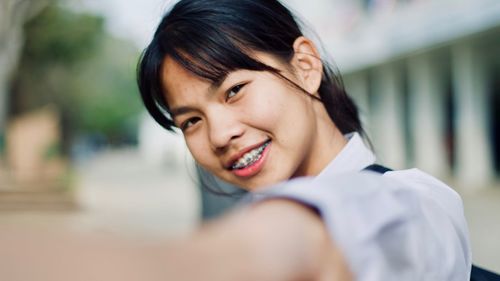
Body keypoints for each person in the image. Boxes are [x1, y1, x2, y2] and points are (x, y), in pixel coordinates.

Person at [136, 0, 472, 280]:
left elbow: (325, 230)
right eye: (191, 120)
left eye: (234, 90)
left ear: (306, 66)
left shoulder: (413, 205)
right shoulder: (249, 215)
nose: (220, 135)